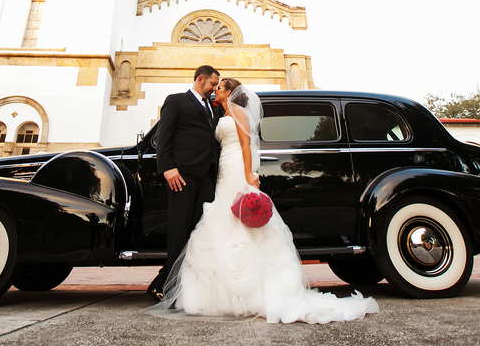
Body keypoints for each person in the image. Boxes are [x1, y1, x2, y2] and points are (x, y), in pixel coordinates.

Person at [146, 78, 379, 323]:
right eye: (215, 86)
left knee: (235, 220)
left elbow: (246, 144)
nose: (216, 90)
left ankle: (248, 290)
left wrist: (248, 173)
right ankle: (220, 291)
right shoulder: (218, 111)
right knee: (223, 219)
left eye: (220, 86)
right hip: (222, 170)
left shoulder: (237, 112)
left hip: (237, 167)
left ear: (231, 92)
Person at [146, 65, 221, 302]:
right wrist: (167, 168)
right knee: (179, 229)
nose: (214, 89)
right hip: (182, 176)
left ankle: (190, 285)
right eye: (212, 84)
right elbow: (164, 136)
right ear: (201, 79)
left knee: (199, 230)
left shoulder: (213, 108)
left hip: (207, 176)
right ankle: (166, 284)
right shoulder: (176, 101)